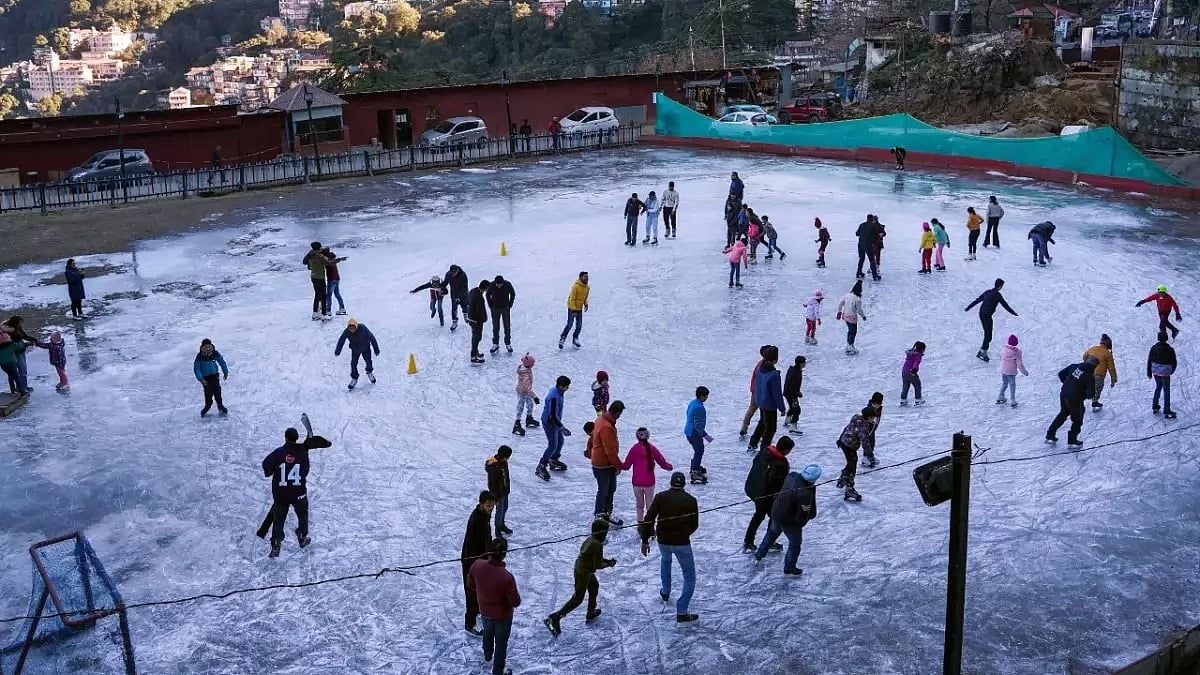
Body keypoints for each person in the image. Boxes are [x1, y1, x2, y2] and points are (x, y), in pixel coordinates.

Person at [260, 422, 332, 558]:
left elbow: (266, 466)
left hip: (281, 495)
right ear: (297, 438)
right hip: (298, 493)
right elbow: (305, 470)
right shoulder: (302, 452)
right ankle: (302, 536)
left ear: (285, 438)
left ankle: (276, 544)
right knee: (303, 513)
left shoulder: (278, 453)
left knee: (278, 518)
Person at [639, 472, 700, 623]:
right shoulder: (691, 500)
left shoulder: (661, 497)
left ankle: (665, 591)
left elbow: (648, 519)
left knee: (666, 561)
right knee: (689, 576)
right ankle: (682, 611)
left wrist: (645, 540)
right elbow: (694, 525)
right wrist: (684, 534)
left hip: (663, 541)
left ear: (671, 483)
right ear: (684, 484)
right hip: (682, 543)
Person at [543, 519, 617, 636]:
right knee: (578, 598)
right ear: (601, 533)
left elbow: (595, 558)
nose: (606, 535)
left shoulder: (592, 539)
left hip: (584, 568)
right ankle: (556, 617)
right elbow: (597, 564)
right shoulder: (597, 544)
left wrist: (607, 561)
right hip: (583, 572)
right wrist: (608, 564)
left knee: (594, 587)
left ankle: (591, 612)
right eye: (605, 532)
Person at [753, 463, 820, 575]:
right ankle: (789, 567)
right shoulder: (805, 494)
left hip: (777, 512)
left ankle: (759, 554)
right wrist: (801, 522)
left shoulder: (792, 476)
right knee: (795, 544)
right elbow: (801, 515)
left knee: (771, 534)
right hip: (789, 522)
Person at [467, 538, 520, 675]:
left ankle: (487, 654)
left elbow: (471, 585)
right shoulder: (507, 578)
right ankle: (498, 671)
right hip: (503, 617)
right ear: (504, 554)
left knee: (488, 633)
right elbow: (515, 602)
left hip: (484, 611)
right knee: (501, 644)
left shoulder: (477, 565)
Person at [742, 435, 793, 553]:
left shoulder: (765, 452)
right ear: (786, 450)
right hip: (766, 496)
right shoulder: (780, 463)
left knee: (759, 515)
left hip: (755, 489)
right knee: (773, 517)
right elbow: (776, 483)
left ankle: (749, 540)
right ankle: (767, 541)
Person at [461, 490, 497, 636]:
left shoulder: (484, 515)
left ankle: (480, 612)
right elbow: (473, 546)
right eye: (489, 506)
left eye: (493, 506)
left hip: (481, 560)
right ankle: (470, 624)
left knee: (480, 590)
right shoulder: (476, 521)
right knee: (472, 593)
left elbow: (486, 539)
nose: (491, 509)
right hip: (472, 562)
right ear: (481, 504)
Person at [622, 427, 672, 523]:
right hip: (649, 482)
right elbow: (662, 462)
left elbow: (626, 465)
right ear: (648, 436)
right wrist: (669, 467)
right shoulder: (652, 448)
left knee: (639, 505)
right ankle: (650, 524)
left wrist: (617, 465)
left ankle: (640, 523)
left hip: (637, 482)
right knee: (650, 505)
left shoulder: (634, 449)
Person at [1046, 357, 1098, 446]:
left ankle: (1050, 434)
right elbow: (1090, 395)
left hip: (1064, 393)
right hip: (1075, 399)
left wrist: (1067, 384)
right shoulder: (1089, 376)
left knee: (1063, 413)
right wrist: (1082, 395)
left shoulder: (1074, 366)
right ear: (1094, 366)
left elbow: (1061, 374)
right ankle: (1072, 440)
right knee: (1077, 419)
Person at [964, 278, 1018, 362]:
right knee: (988, 334)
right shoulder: (997, 295)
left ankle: (983, 349)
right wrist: (1014, 313)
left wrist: (968, 307)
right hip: (987, 315)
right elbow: (1005, 305)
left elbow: (977, 300)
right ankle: (982, 352)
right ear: (1000, 286)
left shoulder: (988, 292)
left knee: (987, 333)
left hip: (981, 313)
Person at [590, 400, 625, 523]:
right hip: (603, 465)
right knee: (604, 490)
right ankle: (599, 515)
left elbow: (593, 436)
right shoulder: (606, 427)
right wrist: (618, 466)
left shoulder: (601, 419)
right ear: (617, 413)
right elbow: (609, 451)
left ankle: (606, 513)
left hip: (604, 463)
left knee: (610, 489)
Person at [749, 345, 785, 453]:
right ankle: (764, 451)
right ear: (775, 360)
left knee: (763, 422)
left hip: (760, 401)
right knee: (770, 429)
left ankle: (753, 442)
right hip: (769, 406)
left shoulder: (761, 368)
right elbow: (777, 394)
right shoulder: (773, 375)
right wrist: (782, 408)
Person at [836, 406, 878, 501]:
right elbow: (865, 444)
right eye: (873, 417)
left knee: (851, 464)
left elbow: (847, 427)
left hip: (844, 442)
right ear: (870, 417)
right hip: (850, 447)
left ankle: (843, 478)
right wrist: (871, 456)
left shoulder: (856, 417)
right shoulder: (864, 426)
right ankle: (849, 489)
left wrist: (840, 438)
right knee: (852, 467)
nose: (874, 419)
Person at [536, 375, 572, 480]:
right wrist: (562, 428)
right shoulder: (554, 397)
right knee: (553, 445)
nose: (568, 388)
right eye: (566, 386)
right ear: (561, 386)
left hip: (555, 422)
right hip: (549, 422)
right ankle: (541, 465)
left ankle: (553, 460)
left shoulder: (558, 391)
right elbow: (552, 416)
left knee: (560, 441)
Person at [334, 318, 380, 390]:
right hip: (355, 349)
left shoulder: (363, 328)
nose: (351, 330)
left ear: (356, 326)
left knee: (369, 361)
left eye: (353, 328)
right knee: (353, 364)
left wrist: (376, 349)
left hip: (366, 348)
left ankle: (369, 372)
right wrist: (338, 351)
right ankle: (354, 378)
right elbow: (341, 340)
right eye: (350, 328)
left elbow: (372, 337)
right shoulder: (347, 331)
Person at [739, 346, 771, 437]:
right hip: (760, 391)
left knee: (752, 408)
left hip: (755, 390)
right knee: (763, 412)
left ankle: (744, 427)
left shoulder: (760, 364)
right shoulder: (764, 366)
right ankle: (761, 433)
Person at [192, 338, 230, 416]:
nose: (208, 349)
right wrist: (201, 379)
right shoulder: (200, 356)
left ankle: (220, 405)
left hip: (215, 376)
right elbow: (197, 368)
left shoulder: (215, 354)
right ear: (202, 348)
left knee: (217, 392)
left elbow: (222, 362)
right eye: (205, 347)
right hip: (206, 379)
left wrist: (225, 371)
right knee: (208, 393)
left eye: (209, 347)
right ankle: (208, 406)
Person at [683, 386, 712, 484]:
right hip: (694, 433)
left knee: (698, 449)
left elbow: (688, 414)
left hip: (688, 430)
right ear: (702, 396)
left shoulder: (693, 402)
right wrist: (706, 436)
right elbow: (698, 426)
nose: (707, 398)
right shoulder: (700, 408)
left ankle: (695, 465)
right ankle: (695, 471)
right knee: (699, 450)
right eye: (706, 396)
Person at [1083, 334, 1118, 411]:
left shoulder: (1093, 348)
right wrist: (1113, 380)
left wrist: (1086, 364)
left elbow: (1084, 356)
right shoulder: (1108, 354)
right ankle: (1094, 402)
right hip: (1099, 374)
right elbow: (1111, 368)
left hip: (1089, 372)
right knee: (1098, 388)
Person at [1, 316, 35, 393]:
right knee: (21, 370)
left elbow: (24, 336)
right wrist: (27, 344)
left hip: (17, 350)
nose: (20, 324)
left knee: (16, 372)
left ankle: (21, 387)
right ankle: (21, 388)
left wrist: (33, 340)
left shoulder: (16, 328)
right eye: (19, 323)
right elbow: (17, 344)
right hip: (15, 352)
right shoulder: (10, 331)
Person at [1147, 331, 1177, 418]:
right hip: (1165, 372)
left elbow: (1149, 360)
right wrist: (1171, 371)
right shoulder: (1170, 349)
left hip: (1156, 371)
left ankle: (1155, 405)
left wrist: (1149, 372)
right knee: (1166, 390)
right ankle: (1166, 410)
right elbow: (1174, 362)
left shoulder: (1153, 348)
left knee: (1158, 387)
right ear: (1166, 339)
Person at [486, 446, 514, 536]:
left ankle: (501, 524)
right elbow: (492, 484)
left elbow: (506, 476)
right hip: (498, 494)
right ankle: (498, 528)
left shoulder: (504, 462)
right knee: (499, 511)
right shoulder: (494, 467)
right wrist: (495, 497)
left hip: (505, 491)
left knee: (504, 509)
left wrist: (507, 488)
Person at [486, 275, 517, 354]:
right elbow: (487, 294)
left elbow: (513, 294)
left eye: (499, 284)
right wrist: (490, 305)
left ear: (502, 283)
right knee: (495, 327)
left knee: (507, 326)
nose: (498, 286)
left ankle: (508, 343)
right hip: (495, 309)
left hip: (505, 309)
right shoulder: (492, 285)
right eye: (497, 284)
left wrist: (510, 305)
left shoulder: (507, 284)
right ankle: (495, 344)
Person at [558, 271, 589, 349]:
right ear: (580, 277)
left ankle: (575, 338)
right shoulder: (575, 287)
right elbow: (572, 299)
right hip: (572, 307)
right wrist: (574, 310)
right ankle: (563, 337)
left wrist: (586, 304)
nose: (587, 278)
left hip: (579, 308)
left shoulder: (587, 287)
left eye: (587, 277)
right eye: (585, 276)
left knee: (579, 325)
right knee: (570, 324)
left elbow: (585, 297)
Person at [996, 334, 1029, 408]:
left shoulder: (1004, 349)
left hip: (1003, 370)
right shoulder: (1017, 352)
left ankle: (1000, 395)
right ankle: (1013, 400)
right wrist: (1025, 372)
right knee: (1012, 384)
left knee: (1004, 383)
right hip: (1010, 371)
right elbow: (1019, 364)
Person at [836, 280, 868, 355]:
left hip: (845, 316)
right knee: (853, 331)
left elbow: (840, 303)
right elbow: (859, 310)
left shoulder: (847, 295)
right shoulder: (857, 299)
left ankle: (849, 345)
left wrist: (839, 311)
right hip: (852, 317)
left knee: (850, 330)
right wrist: (863, 316)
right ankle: (850, 345)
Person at [512, 353, 541, 436]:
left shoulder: (523, 367)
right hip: (522, 392)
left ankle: (529, 418)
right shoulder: (526, 375)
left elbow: (524, 359)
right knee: (520, 406)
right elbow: (527, 388)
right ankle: (517, 423)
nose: (534, 365)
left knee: (530, 404)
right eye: (533, 363)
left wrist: (526, 356)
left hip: (525, 391)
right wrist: (535, 397)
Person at [302, 241, 330, 321]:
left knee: (317, 295)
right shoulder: (319, 256)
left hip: (313, 277)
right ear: (319, 247)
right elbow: (327, 259)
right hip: (320, 277)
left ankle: (315, 313)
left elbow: (304, 262)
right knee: (323, 296)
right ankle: (324, 314)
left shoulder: (310, 255)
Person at [467, 279, 492, 364]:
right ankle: (473, 356)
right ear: (485, 288)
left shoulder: (473, 291)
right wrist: (484, 319)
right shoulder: (479, 297)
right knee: (476, 338)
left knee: (475, 337)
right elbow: (480, 311)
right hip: (476, 321)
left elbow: (468, 301)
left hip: (470, 318)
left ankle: (476, 352)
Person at [439, 264, 470, 332]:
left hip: (463, 294)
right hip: (454, 293)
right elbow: (445, 282)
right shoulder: (448, 274)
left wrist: (460, 296)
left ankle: (466, 316)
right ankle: (454, 321)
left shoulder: (463, 275)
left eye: (454, 273)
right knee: (454, 309)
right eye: (452, 273)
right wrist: (441, 287)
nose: (453, 274)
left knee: (464, 306)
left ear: (457, 271)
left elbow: (464, 287)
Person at [322, 248, 348, 316]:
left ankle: (328, 310)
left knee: (329, 295)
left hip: (331, 279)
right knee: (337, 294)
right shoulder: (332, 258)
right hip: (337, 279)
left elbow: (329, 264)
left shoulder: (328, 260)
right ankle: (342, 308)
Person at [899, 341, 926, 406]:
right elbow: (916, 363)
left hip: (904, 371)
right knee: (917, 385)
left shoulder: (910, 353)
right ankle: (918, 400)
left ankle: (903, 400)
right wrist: (914, 370)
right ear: (922, 349)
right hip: (911, 372)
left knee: (905, 386)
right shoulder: (918, 355)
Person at [854, 215, 881, 280]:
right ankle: (875, 276)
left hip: (860, 245)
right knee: (872, 260)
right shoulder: (873, 226)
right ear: (872, 219)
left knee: (861, 259)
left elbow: (857, 233)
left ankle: (858, 273)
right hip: (868, 245)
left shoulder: (862, 225)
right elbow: (877, 236)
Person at [784, 355, 806, 428]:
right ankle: (793, 425)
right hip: (791, 394)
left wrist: (798, 392)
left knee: (793, 408)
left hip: (788, 392)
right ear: (800, 364)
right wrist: (794, 399)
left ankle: (787, 420)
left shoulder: (793, 370)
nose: (805, 364)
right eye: (804, 362)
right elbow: (792, 387)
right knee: (797, 410)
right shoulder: (796, 374)